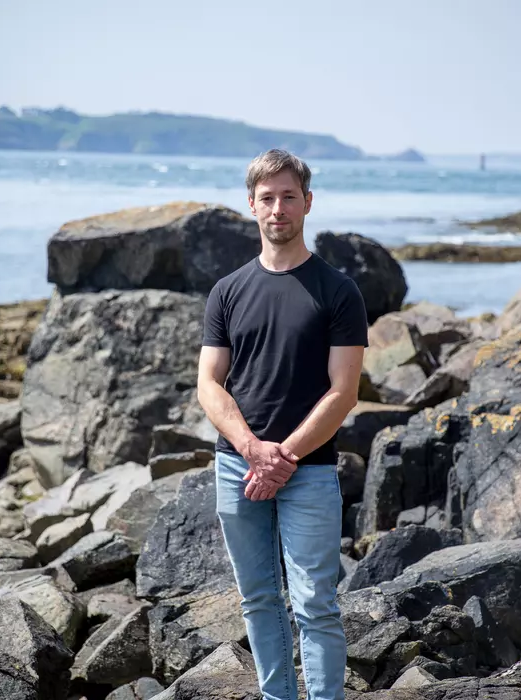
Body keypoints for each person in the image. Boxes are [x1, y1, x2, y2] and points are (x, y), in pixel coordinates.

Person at [197, 149, 369, 700]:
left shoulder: (338, 290)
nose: (278, 209)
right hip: (237, 468)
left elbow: (343, 392)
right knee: (258, 599)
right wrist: (252, 450)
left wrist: (283, 458)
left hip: (310, 472)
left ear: (308, 203)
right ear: (251, 206)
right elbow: (209, 384)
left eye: (288, 197)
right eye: (266, 198)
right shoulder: (227, 291)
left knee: (315, 603)